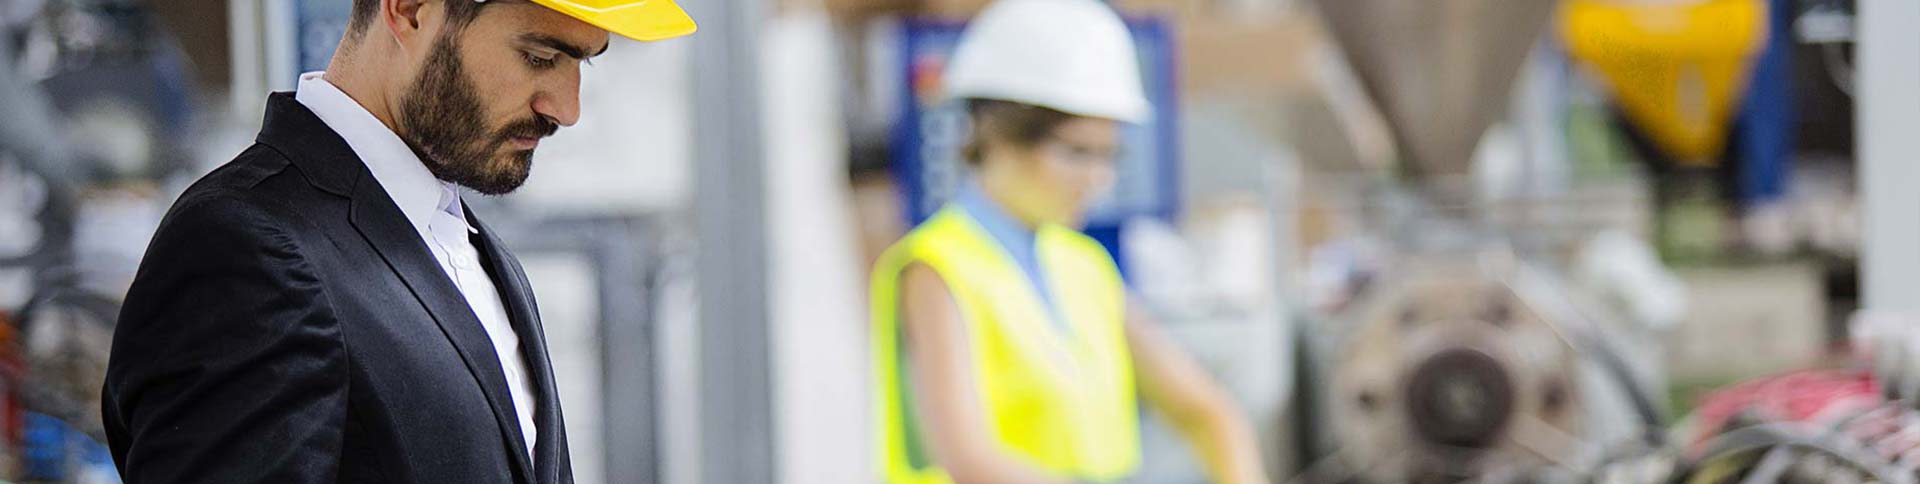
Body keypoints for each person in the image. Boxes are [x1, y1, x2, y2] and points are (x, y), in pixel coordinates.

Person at [100, 0, 693, 482]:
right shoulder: (246, 248)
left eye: (582, 63)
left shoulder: (471, 250)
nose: (566, 108)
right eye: (539, 57)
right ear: (409, 10)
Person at [869, 0, 1273, 483]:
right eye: (1077, 152)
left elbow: (1205, 411)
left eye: (1109, 156)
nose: (1097, 178)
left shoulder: (1082, 266)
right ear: (998, 137)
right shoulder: (936, 268)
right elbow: (969, 460)